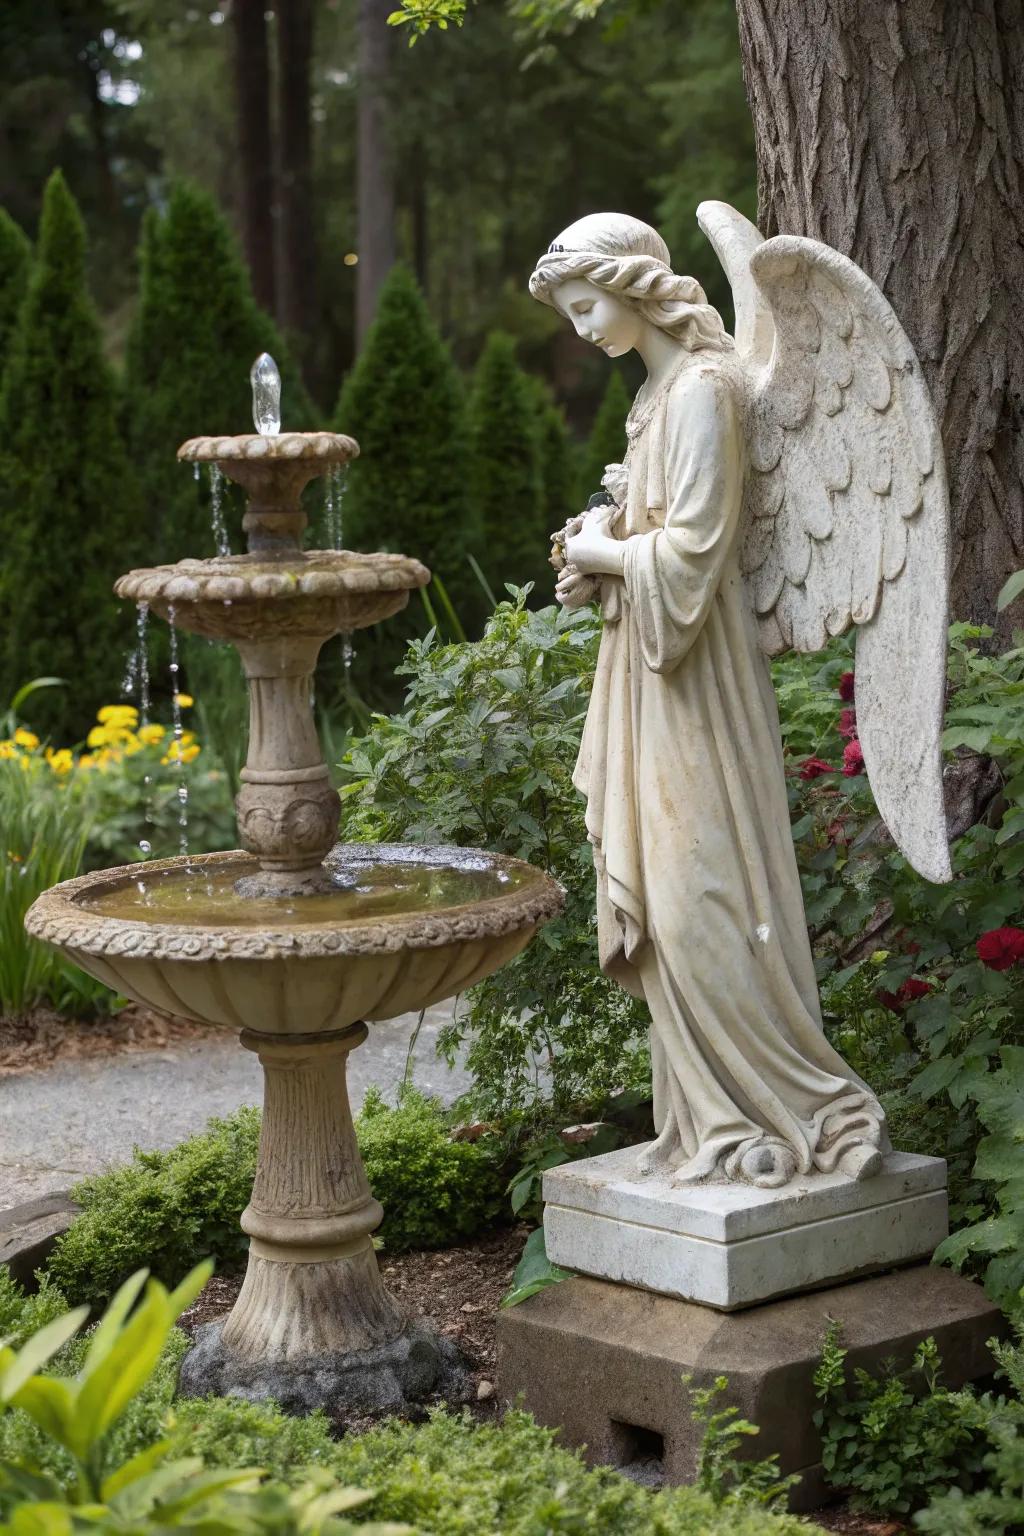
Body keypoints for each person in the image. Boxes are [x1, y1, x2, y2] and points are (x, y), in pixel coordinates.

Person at [529, 213, 887, 1189]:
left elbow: (694, 554)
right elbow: (654, 534)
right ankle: (708, 1124)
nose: (578, 327)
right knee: (672, 896)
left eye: (585, 303)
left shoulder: (704, 389)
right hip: (649, 674)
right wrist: (597, 558)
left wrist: (608, 551)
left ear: (637, 284)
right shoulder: (654, 395)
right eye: (567, 313)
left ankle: (795, 1108)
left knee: (697, 898)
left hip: (696, 677)